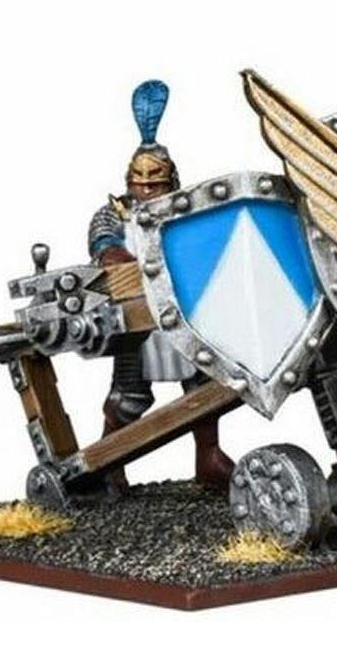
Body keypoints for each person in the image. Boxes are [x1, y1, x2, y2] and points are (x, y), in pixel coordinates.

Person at [87, 80, 234, 490]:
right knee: (129, 396)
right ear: (128, 179)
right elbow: (105, 248)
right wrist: (126, 262)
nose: (147, 186)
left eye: (156, 179)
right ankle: (108, 463)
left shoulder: (186, 213)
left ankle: (208, 457)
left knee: (206, 387)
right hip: (136, 316)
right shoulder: (112, 215)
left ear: (171, 179)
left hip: (185, 311)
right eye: (140, 178)